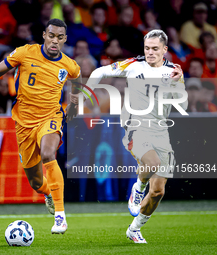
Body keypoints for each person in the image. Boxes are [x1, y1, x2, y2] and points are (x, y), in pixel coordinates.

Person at [0, 19, 81, 234]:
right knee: (36, 182)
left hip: (51, 116)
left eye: (59, 37)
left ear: (65, 39)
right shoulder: (24, 53)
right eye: (51, 35)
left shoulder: (69, 64)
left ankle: (60, 216)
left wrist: (74, 105)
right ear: (44, 35)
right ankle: (48, 192)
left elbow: (77, 79)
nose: (55, 40)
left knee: (49, 154)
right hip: (24, 123)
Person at [82, 29, 187, 243]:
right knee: (152, 162)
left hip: (161, 131)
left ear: (165, 50)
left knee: (158, 192)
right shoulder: (133, 65)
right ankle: (137, 187)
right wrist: (85, 98)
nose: (149, 52)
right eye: (147, 48)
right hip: (135, 126)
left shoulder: (173, 72)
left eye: (155, 49)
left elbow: (182, 105)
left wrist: (180, 82)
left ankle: (134, 229)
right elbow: (99, 72)